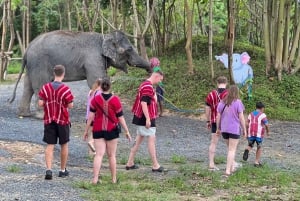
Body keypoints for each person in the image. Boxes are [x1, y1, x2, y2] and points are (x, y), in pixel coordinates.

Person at [83, 77, 131, 184]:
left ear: (101, 86)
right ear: (110, 86)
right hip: (112, 129)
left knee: (99, 154)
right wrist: (127, 131)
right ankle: (113, 179)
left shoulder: (95, 99)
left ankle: (95, 179)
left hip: (98, 129)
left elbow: (90, 117)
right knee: (111, 155)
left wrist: (86, 131)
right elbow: (120, 117)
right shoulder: (115, 100)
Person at [38, 65, 74, 180]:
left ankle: (49, 169)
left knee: (50, 145)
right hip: (62, 120)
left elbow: (40, 103)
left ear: (54, 74)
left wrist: (48, 103)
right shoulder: (65, 89)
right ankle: (62, 170)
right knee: (64, 144)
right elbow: (70, 105)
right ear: (63, 74)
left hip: (49, 119)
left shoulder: (45, 88)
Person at [125, 68, 164, 172]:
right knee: (151, 138)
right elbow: (143, 103)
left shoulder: (146, 85)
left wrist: (154, 93)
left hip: (141, 116)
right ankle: (155, 165)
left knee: (138, 139)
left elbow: (153, 100)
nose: (160, 82)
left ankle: (130, 162)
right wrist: (147, 119)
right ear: (156, 76)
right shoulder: (147, 87)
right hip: (145, 117)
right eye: (160, 80)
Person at [216, 85, 247, 177]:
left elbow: (218, 116)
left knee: (229, 149)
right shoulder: (238, 102)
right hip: (234, 129)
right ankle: (227, 171)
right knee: (232, 150)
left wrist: (218, 128)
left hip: (224, 129)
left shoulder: (222, 102)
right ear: (237, 92)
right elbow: (241, 117)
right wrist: (245, 129)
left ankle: (232, 167)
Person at [205, 76, 228, 170]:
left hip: (214, 120)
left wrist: (208, 120)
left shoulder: (211, 94)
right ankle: (232, 163)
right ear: (226, 83)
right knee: (230, 144)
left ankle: (211, 163)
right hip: (227, 121)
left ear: (217, 83)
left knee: (213, 142)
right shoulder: (229, 94)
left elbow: (207, 108)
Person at [243, 102, 270, 167]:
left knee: (250, 145)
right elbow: (266, 124)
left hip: (251, 132)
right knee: (259, 147)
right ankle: (256, 162)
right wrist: (268, 131)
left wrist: (246, 132)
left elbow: (247, 124)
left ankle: (247, 150)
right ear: (262, 108)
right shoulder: (262, 115)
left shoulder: (250, 114)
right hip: (259, 134)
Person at [86, 79, 102, 154]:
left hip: (88, 116)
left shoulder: (91, 92)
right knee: (96, 135)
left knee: (90, 133)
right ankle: (94, 150)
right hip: (95, 116)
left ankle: (90, 152)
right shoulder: (99, 93)